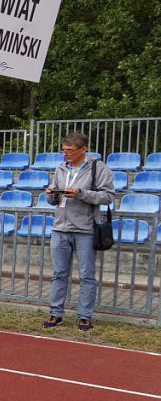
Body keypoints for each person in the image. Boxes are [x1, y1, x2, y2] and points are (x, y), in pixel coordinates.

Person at [44, 131, 115, 331]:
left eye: (69, 151)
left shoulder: (98, 168)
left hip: (85, 229)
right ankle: (55, 313)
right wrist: (51, 194)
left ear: (83, 150)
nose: (65, 154)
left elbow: (108, 196)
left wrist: (81, 194)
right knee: (59, 273)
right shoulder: (60, 168)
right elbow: (53, 199)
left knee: (87, 275)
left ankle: (85, 315)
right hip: (60, 227)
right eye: (63, 150)